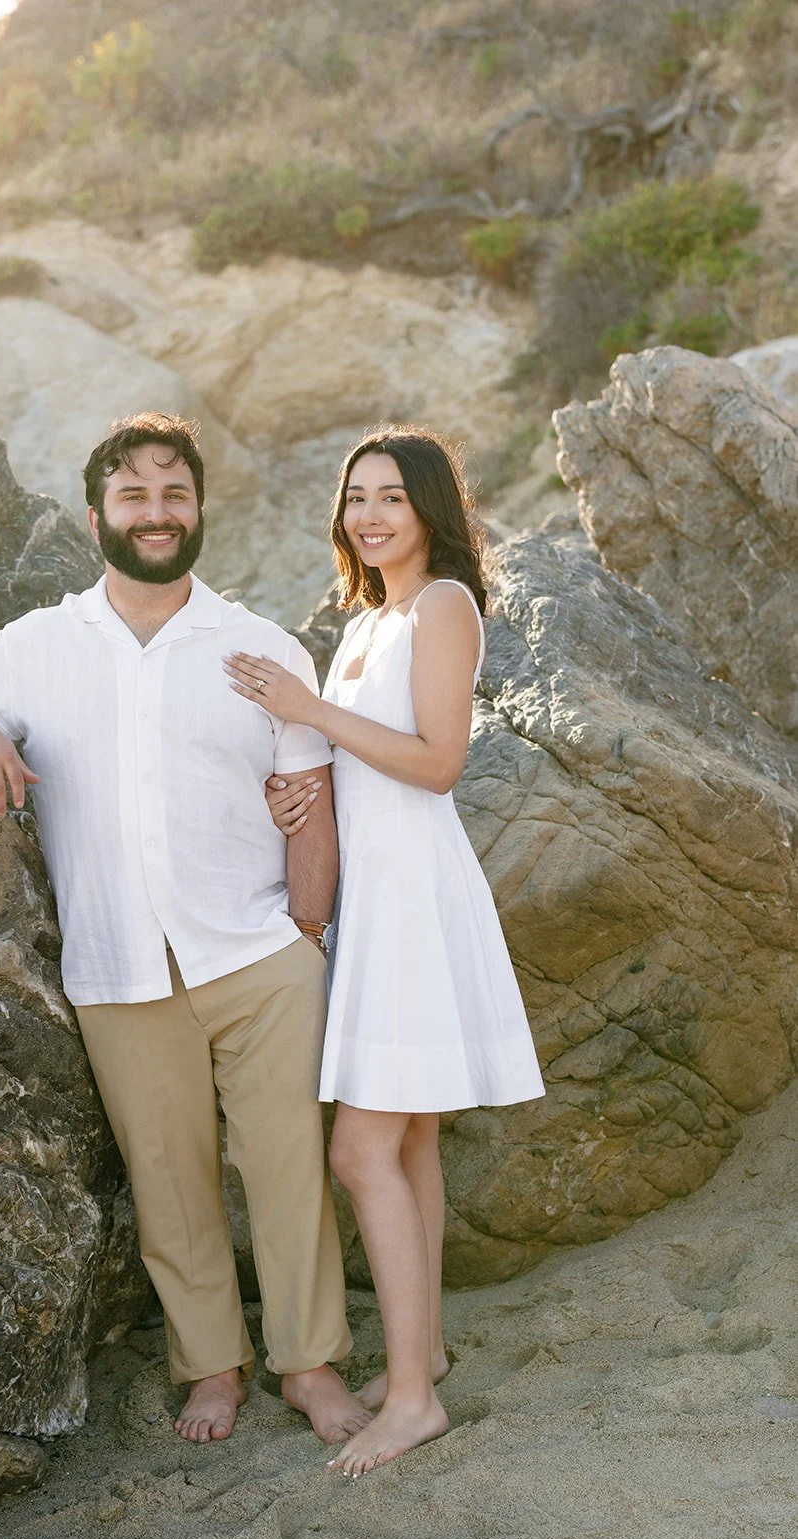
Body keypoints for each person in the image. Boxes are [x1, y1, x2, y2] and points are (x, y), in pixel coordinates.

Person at [0, 412, 371, 1447]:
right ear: (97, 517)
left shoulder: (257, 643)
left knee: (285, 1168)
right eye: (134, 495)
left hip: (258, 953)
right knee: (166, 1178)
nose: (156, 512)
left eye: (173, 494)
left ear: (199, 510)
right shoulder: (37, 644)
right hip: (118, 964)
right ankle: (212, 1366)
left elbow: (311, 794)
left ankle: (308, 1366)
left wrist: (306, 933)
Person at [223, 425, 545, 1477]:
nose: (367, 515)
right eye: (355, 497)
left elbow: (439, 761)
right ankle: (429, 1351)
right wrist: (297, 781)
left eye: (390, 499)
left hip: (412, 895)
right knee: (404, 1146)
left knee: (359, 1150)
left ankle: (410, 1399)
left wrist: (308, 710)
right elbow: (353, 762)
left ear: (429, 512)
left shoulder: (443, 606)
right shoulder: (364, 621)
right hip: (373, 898)